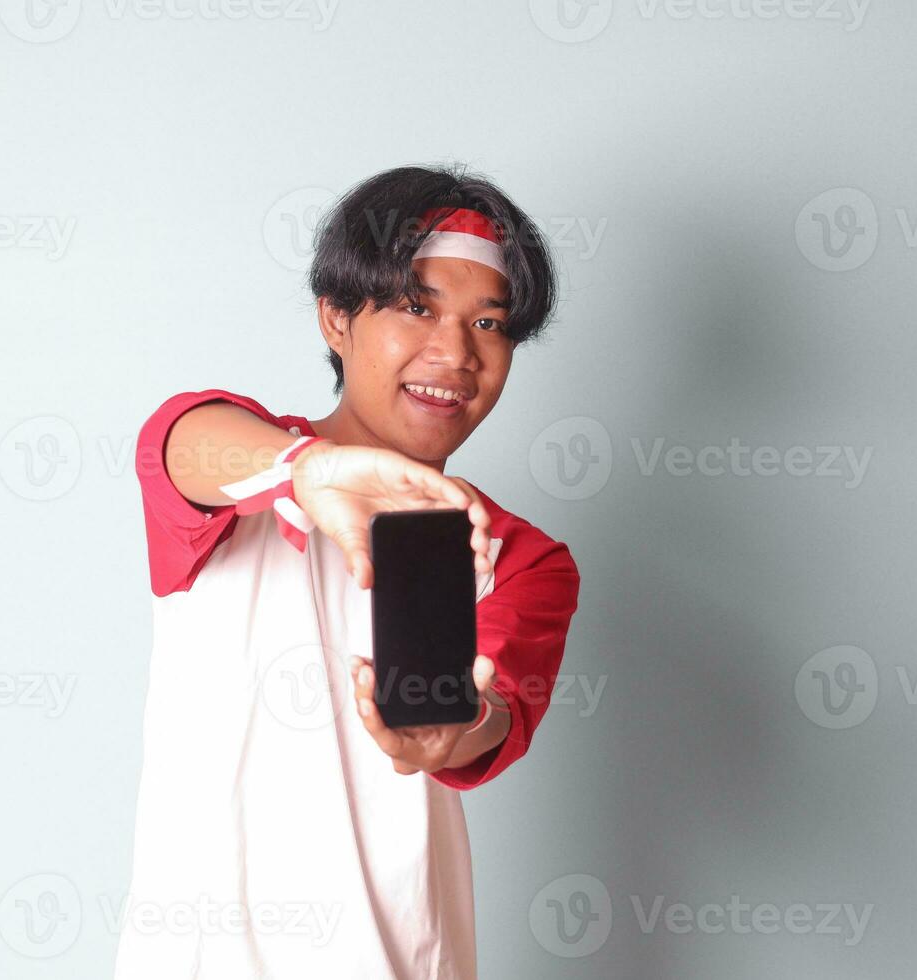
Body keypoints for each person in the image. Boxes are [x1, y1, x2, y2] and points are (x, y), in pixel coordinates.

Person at [114, 164, 582, 980]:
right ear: (336, 318)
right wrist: (306, 470)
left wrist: (452, 733)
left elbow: (495, 715)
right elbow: (175, 440)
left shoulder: (522, 556)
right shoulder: (248, 472)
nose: (456, 353)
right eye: (416, 307)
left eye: (490, 323)